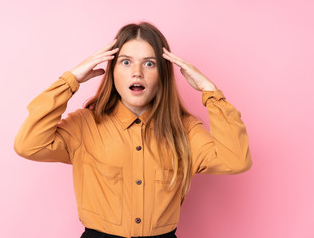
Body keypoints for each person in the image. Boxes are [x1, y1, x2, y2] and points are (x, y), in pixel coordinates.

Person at [14, 21, 252, 238]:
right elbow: (29, 145)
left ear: (163, 74)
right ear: (112, 70)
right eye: (126, 62)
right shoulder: (84, 124)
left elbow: (236, 160)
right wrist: (69, 80)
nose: (137, 72)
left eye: (149, 64)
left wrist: (210, 92)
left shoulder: (185, 130)